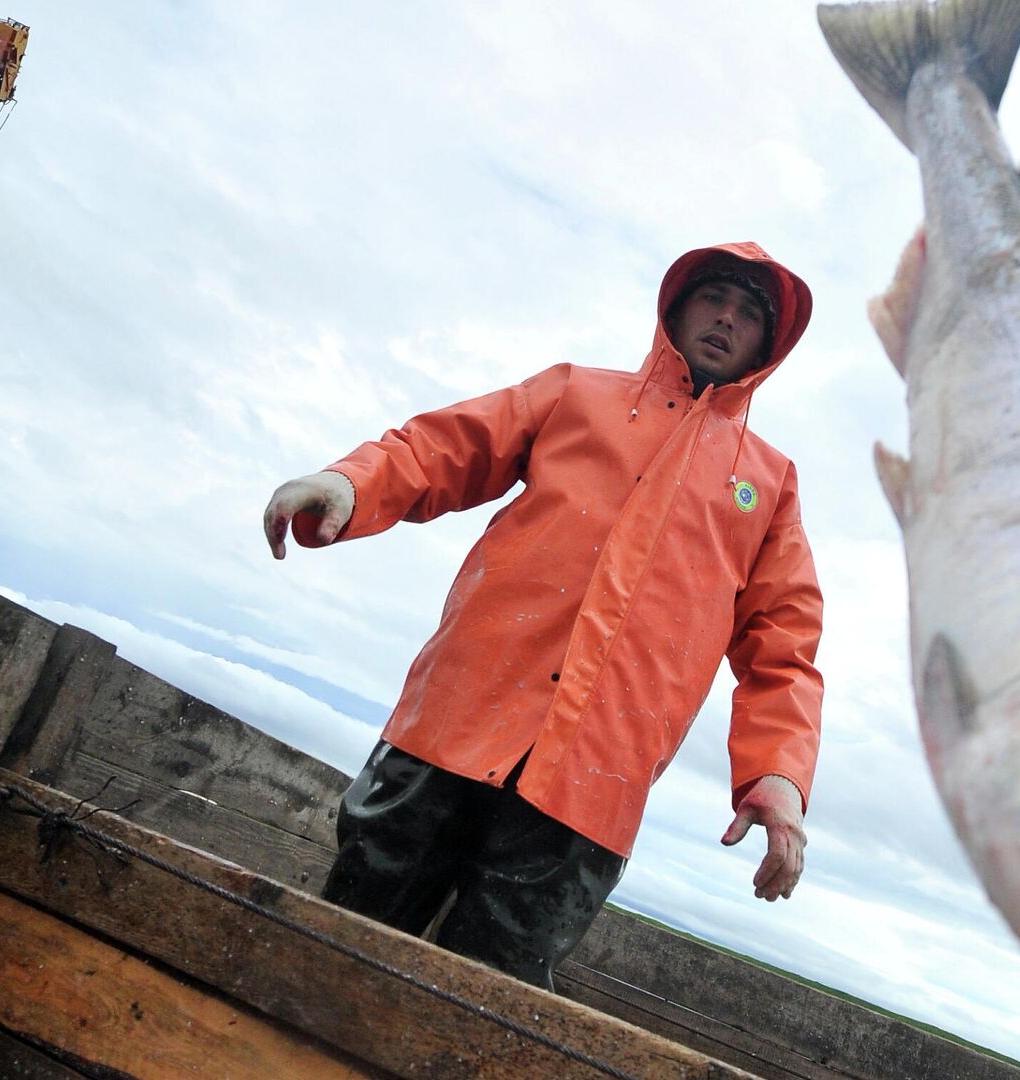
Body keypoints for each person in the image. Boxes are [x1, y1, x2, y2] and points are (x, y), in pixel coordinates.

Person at [261, 242, 823, 989]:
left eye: (750, 313)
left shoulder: (769, 485)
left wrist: (778, 776)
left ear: (768, 345)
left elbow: (784, 648)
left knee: (487, 1007)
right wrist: (350, 483)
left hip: (592, 785)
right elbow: (443, 448)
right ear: (677, 307)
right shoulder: (574, 393)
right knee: (333, 953)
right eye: (714, 297)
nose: (726, 318)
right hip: (453, 727)